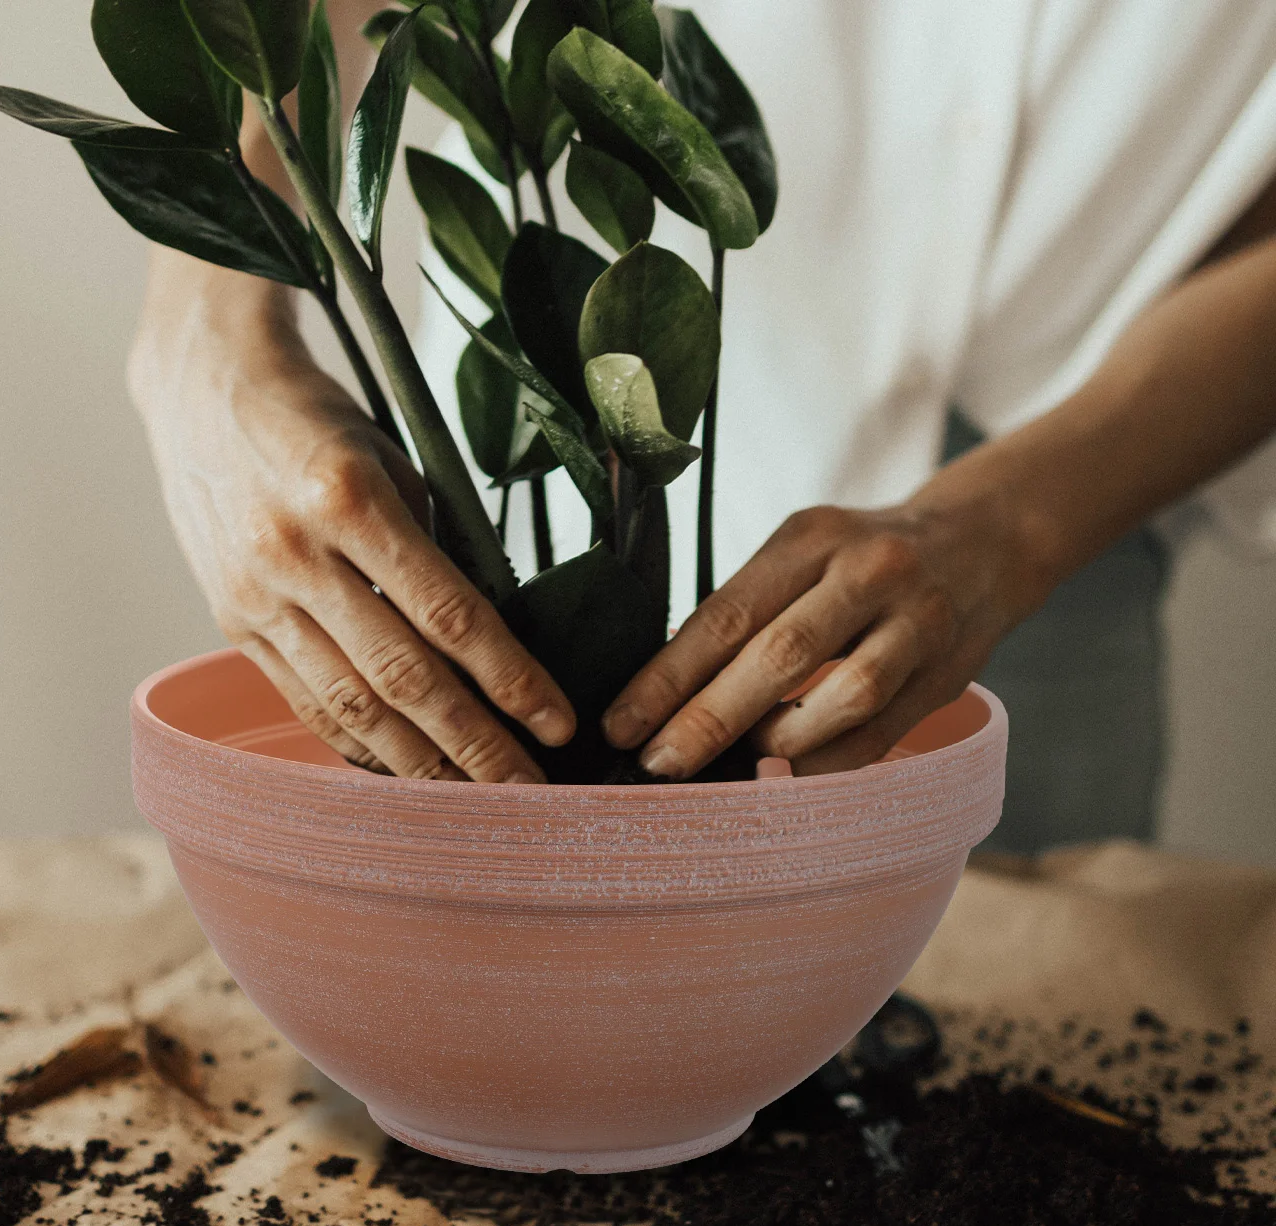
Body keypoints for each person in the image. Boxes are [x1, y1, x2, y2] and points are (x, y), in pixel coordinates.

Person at [127, 0, 1276, 850]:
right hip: (533, 429)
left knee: (1012, 1067)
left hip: (1075, 471)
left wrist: (1022, 523)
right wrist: (202, 345)